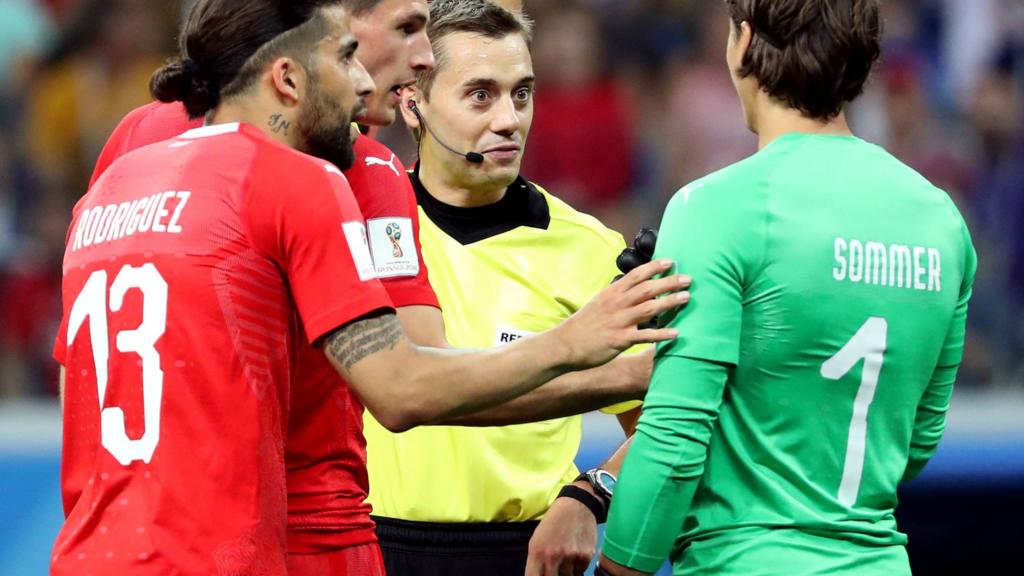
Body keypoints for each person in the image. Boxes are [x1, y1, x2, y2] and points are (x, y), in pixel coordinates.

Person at [51, 1, 688, 574]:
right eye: (392, 35)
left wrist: (589, 494)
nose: (405, 64)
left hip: (98, 544)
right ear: (293, 72)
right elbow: (408, 386)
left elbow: (76, 372)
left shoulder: (127, 160)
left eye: (522, 93)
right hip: (277, 542)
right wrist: (593, 354)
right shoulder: (331, 175)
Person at [597, 1, 976, 575]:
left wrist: (617, 568)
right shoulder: (942, 221)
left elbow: (674, 444)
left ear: (743, 42)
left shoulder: (715, 207)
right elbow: (916, 442)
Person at [364, 2, 653, 574]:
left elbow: (663, 420)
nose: (509, 119)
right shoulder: (358, 227)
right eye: (480, 95)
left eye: (522, 94)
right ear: (412, 104)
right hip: (374, 549)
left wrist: (592, 493)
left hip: (526, 556)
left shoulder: (591, 247)